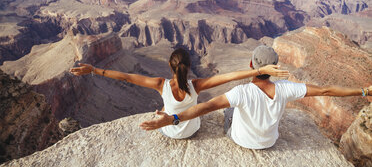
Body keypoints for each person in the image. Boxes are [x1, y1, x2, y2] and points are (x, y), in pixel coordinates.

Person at [140, 45, 372, 149]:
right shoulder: (286, 88)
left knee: (228, 111)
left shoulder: (241, 93)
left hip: (241, 141)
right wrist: (363, 91)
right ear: (275, 67)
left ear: (251, 65)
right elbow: (325, 91)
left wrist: (171, 119)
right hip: (270, 142)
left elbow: (203, 108)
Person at [70, 48, 289, 139]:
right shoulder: (197, 85)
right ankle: (169, 111)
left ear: (170, 66)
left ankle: (167, 111)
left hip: (170, 132)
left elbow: (126, 77)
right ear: (189, 65)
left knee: (165, 107)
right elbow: (230, 76)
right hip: (191, 131)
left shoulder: (160, 83)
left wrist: (94, 70)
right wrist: (259, 70)